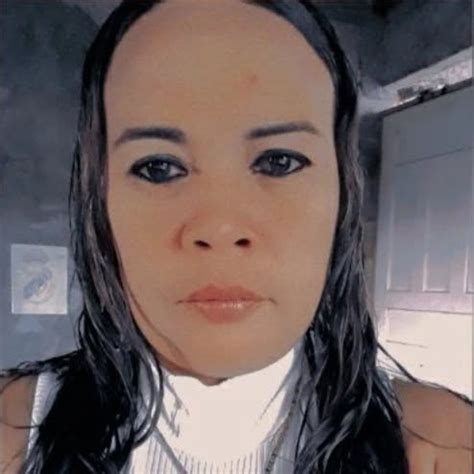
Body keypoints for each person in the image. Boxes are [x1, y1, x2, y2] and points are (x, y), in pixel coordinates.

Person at [0, 0, 472, 472]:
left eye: (279, 161)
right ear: (99, 202)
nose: (220, 228)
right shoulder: (13, 434)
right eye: (158, 167)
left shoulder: (447, 447)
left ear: (342, 195)